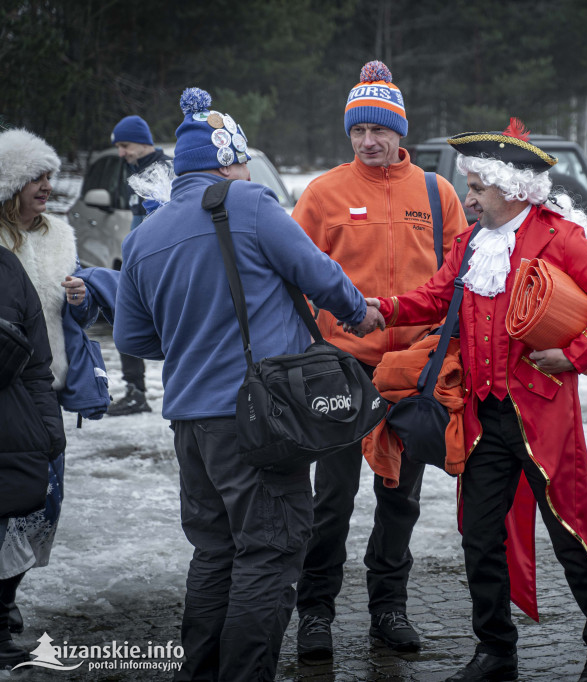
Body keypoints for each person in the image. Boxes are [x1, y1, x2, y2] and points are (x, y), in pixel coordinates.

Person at [113, 88, 383, 682]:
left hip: (191, 426)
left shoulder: (143, 238)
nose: (244, 170)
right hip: (261, 423)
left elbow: (134, 340)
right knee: (268, 554)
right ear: (227, 160)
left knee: (214, 554)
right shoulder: (248, 203)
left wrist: (193, 341)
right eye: (240, 162)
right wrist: (360, 312)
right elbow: (318, 274)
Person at [375, 119, 587, 682]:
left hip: (542, 413)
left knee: (571, 527)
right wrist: (385, 308)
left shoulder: (560, 237)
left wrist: (578, 353)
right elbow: (437, 295)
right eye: (469, 186)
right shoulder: (470, 243)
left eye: (477, 187)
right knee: (479, 534)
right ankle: (495, 649)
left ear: (512, 188)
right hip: (482, 415)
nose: (468, 197)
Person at [291, 60, 467, 660]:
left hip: (412, 372)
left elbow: (460, 278)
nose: (369, 141)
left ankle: (388, 607)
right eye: (358, 131)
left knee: (400, 496)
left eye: (380, 130)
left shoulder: (437, 195)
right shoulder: (322, 194)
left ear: (401, 132)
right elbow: (293, 280)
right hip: (341, 370)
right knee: (332, 499)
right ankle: (314, 612)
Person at [0, 128, 95, 666]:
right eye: (35, 177)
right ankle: (2, 619)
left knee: (40, 505)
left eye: (48, 176)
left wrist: (82, 299)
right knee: (9, 503)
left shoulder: (60, 233)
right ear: (10, 183)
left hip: (46, 388)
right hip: (4, 389)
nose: (46, 186)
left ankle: (6, 606)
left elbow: (72, 316)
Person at [0, 246, 65, 670]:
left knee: (9, 526)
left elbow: (38, 363)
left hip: (12, 425)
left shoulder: (6, 265)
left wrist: (47, 428)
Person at [106, 115, 174, 417]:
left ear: (142, 141)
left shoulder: (166, 170)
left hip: (165, 264)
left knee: (173, 327)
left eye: (125, 145)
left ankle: (180, 390)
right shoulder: (133, 171)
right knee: (126, 319)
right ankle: (135, 392)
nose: (121, 152)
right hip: (138, 263)